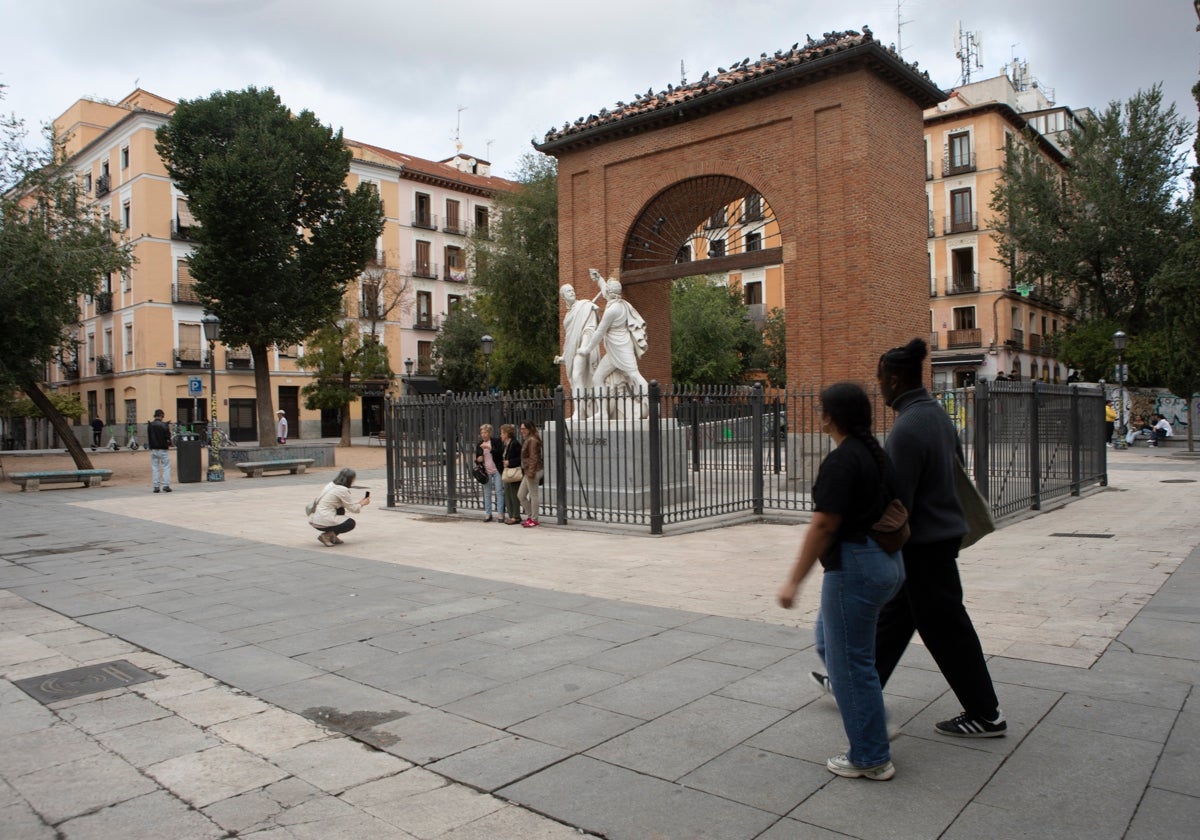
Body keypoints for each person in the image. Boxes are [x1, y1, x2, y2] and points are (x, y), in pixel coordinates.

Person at [844, 337, 1006, 739]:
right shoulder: (935, 414)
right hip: (938, 538)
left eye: (880, 379)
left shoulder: (906, 428)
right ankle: (857, 683)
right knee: (898, 617)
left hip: (924, 546)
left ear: (895, 380)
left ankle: (986, 714)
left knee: (947, 629)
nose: (878, 386)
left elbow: (896, 500)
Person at [778, 382, 904, 781]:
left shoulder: (843, 460)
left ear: (830, 416)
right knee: (828, 641)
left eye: (821, 410)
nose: (818, 415)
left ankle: (870, 755)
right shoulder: (875, 454)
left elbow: (823, 525)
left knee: (851, 664)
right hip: (886, 562)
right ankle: (874, 723)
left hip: (856, 569)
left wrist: (793, 582)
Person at [577, 274, 649, 419]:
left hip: (621, 349)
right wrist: (599, 280)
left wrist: (586, 349)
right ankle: (602, 413)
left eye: (607, 292)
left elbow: (599, 332)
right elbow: (605, 291)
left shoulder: (612, 310)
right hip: (614, 351)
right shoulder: (621, 303)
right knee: (598, 377)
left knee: (634, 374)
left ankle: (650, 404)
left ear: (611, 294)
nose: (605, 294)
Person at [554, 283, 600, 413]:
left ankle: (579, 412)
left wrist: (584, 347)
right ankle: (583, 410)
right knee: (575, 380)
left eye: (573, 290)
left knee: (577, 375)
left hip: (584, 347)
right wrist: (563, 356)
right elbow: (569, 339)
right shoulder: (568, 316)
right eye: (568, 291)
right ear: (563, 297)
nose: (572, 292)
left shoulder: (585, 306)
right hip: (572, 350)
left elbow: (590, 329)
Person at [307, 467, 370, 546]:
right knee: (350, 523)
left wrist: (358, 503)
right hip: (322, 521)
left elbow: (343, 504)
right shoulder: (342, 490)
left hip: (314, 519)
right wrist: (362, 503)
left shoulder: (330, 485)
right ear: (350, 479)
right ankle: (327, 535)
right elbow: (353, 509)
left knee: (340, 510)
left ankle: (332, 536)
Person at [518, 420, 544, 528]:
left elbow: (534, 458)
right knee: (521, 495)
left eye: (524, 428)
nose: (522, 430)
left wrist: (531, 472)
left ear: (529, 428)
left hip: (533, 470)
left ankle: (534, 519)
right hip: (528, 470)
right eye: (521, 428)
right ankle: (530, 516)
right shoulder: (529, 439)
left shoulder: (532, 440)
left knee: (533, 495)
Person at [475, 423, 503, 522]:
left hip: (497, 471)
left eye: (485, 432)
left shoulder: (496, 441)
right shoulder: (479, 444)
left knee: (499, 492)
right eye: (481, 432)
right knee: (487, 493)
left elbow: (500, 453)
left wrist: (489, 448)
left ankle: (500, 514)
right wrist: (479, 459)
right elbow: (477, 459)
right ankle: (488, 514)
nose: (483, 434)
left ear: (490, 433)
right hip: (486, 472)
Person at [499, 424, 523, 525]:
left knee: (514, 494)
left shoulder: (515, 443)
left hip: (514, 472)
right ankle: (511, 515)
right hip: (507, 472)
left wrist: (510, 462)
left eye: (502, 433)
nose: (500, 435)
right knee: (508, 494)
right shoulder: (506, 444)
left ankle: (516, 516)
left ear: (507, 434)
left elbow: (520, 458)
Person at [147, 409, 172, 493]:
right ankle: (166, 485)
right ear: (162, 416)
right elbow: (168, 437)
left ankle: (156, 486)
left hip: (153, 448)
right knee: (166, 467)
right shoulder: (164, 425)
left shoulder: (150, 425)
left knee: (155, 468)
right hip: (163, 448)